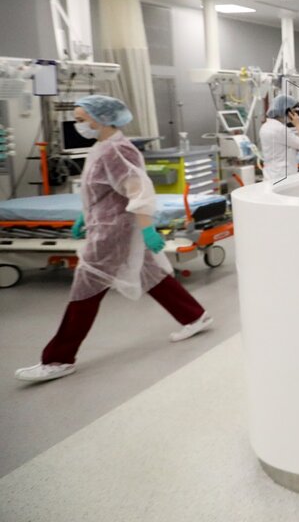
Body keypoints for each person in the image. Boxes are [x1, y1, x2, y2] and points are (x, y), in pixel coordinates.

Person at [16, 95, 213, 383]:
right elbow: (103, 190)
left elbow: (138, 192)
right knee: (150, 273)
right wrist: (85, 214)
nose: (78, 125)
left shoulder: (116, 151)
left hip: (113, 231)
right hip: (107, 223)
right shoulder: (102, 146)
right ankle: (195, 316)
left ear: (103, 119)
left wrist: (147, 229)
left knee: (85, 289)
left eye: (82, 119)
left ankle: (59, 359)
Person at [260, 94, 299, 184]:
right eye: (293, 111)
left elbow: (280, 148)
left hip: (271, 175)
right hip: (283, 176)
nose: (295, 114)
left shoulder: (265, 126)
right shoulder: (280, 129)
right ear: (287, 111)